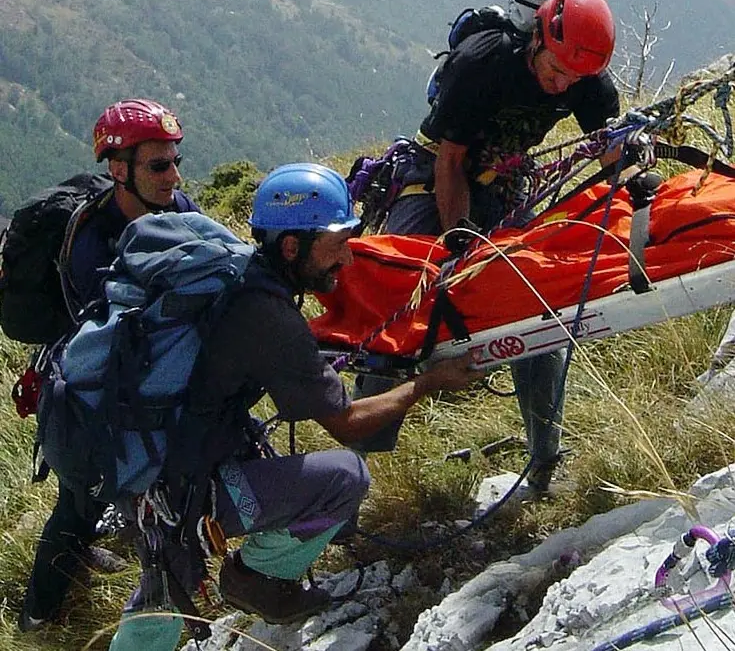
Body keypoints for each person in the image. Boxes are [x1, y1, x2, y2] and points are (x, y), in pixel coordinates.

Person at [107, 163, 482, 651]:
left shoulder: (239, 276)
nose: (346, 258)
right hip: (175, 482)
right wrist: (425, 384)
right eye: (335, 246)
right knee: (344, 478)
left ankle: (216, 587)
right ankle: (255, 578)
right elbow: (348, 425)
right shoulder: (266, 314)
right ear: (291, 247)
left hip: (148, 459)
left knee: (166, 573)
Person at [353, 0, 621, 495]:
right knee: (394, 301)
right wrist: (459, 242)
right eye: (555, 70)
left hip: (503, 177)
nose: (561, 85)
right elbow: (448, 161)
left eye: (573, 78)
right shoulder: (483, 64)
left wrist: (632, 168)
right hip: (434, 170)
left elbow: (606, 145)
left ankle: (544, 463)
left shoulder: (583, 76)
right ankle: (351, 481)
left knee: (536, 312)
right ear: (537, 40)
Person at [19, 98, 201, 632]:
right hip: (94, 387)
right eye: (158, 165)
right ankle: (38, 619)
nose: (173, 176)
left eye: (174, 161)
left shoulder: (173, 206)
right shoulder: (90, 240)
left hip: (151, 375)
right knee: (77, 498)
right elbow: (119, 321)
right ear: (118, 169)